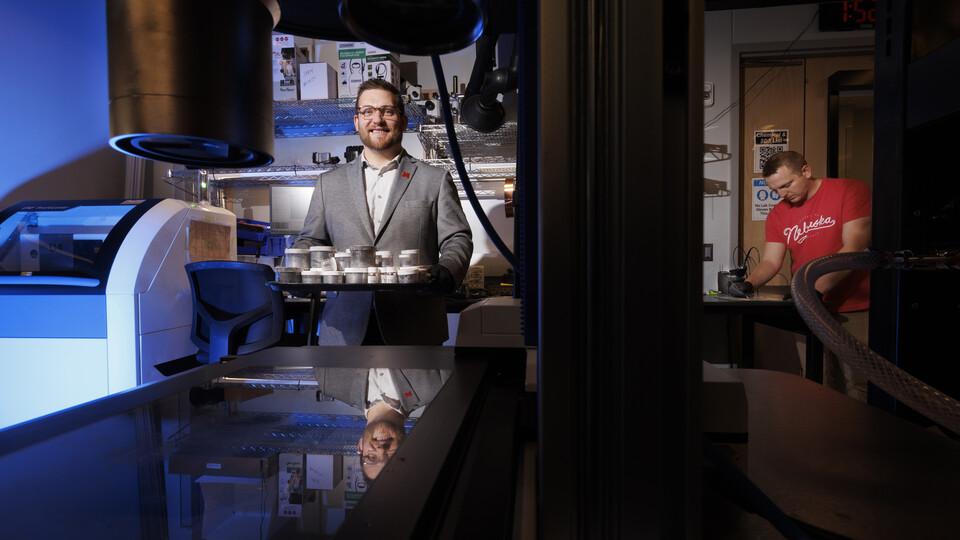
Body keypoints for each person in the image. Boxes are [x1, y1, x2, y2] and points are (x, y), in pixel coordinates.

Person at [292, 78, 473, 345]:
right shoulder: (328, 184)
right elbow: (312, 240)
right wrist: (299, 260)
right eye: (368, 111)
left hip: (414, 325)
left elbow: (457, 238)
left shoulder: (434, 180)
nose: (377, 119)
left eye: (387, 111)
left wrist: (448, 269)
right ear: (357, 122)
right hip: (344, 330)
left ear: (403, 120)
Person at [728, 151, 871, 401]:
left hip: (855, 307)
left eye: (786, 185)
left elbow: (854, 248)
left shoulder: (850, 190)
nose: (782, 195)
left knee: (860, 386)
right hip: (809, 310)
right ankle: (823, 440)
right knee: (819, 384)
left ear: (806, 171)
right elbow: (771, 261)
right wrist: (748, 283)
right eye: (775, 190)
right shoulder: (778, 214)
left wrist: (811, 289)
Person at [313, 367, 451, 481]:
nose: (381, 450)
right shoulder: (438, 384)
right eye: (390, 458)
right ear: (405, 449)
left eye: (372, 457)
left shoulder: (329, 381)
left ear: (360, 446)